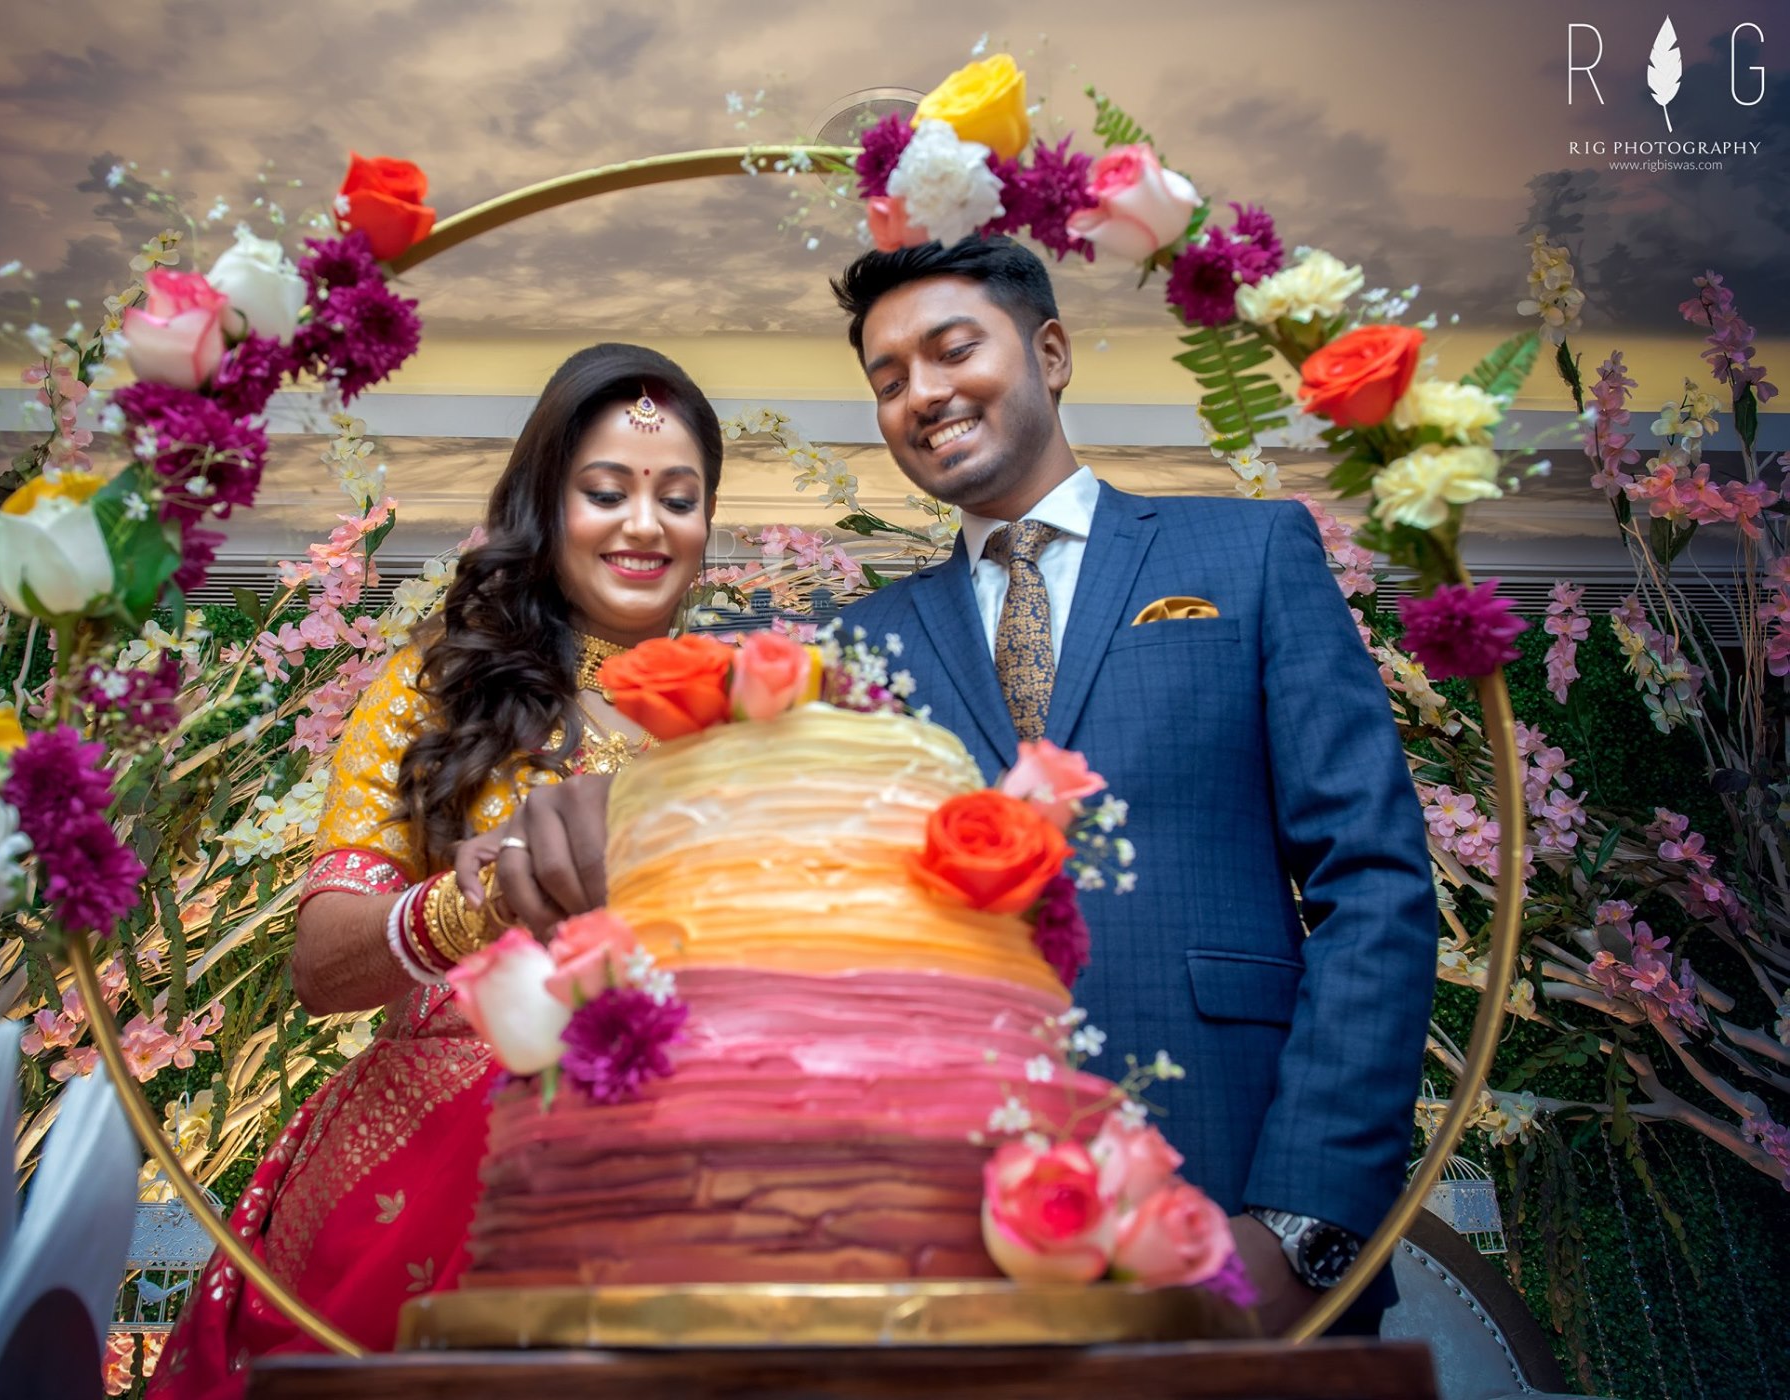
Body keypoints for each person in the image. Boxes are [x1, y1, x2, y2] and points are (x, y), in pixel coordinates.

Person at [496, 240, 1436, 1335]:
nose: (921, 394)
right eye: (886, 380)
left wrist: (1303, 1224)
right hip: (943, 1240)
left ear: (1050, 350)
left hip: (1226, 1173)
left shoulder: (1246, 552)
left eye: (950, 350)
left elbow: (1370, 880)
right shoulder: (858, 646)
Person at [150, 343, 720, 1397]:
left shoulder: (748, 719)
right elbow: (322, 965)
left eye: (677, 498)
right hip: (440, 1154)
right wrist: (473, 904)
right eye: (607, 491)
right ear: (546, 505)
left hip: (698, 1164)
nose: (645, 524)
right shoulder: (437, 688)